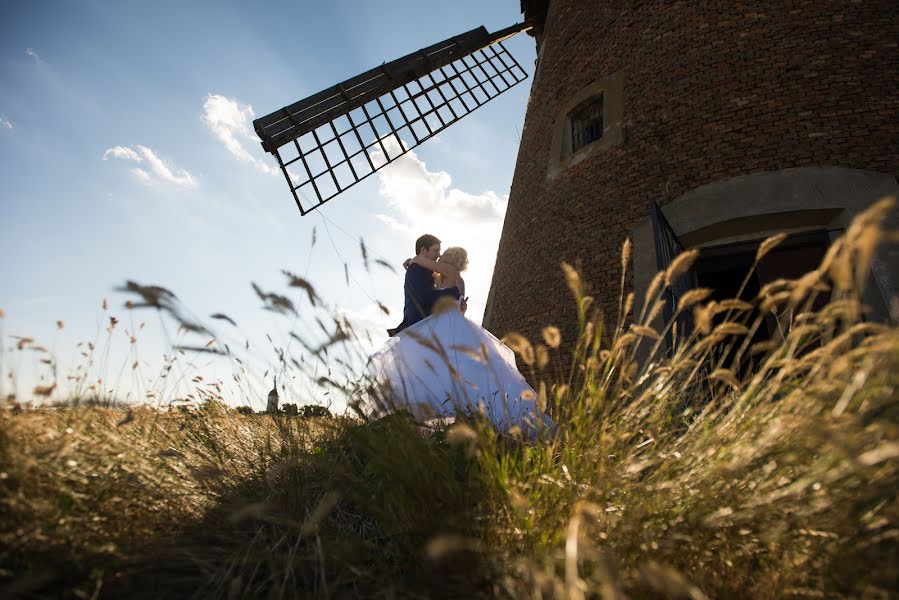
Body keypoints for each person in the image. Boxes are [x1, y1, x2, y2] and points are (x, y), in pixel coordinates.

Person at [367, 242, 551, 434]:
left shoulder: (448, 270)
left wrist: (415, 260)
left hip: (446, 324)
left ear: (453, 258)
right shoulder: (456, 278)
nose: (440, 256)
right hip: (452, 323)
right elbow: (454, 302)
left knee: (439, 370)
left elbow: (426, 270)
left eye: (444, 253)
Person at [386, 234, 461, 337]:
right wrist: (452, 293)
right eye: (435, 250)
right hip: (418, 326)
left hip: (426, 326)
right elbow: (424, 296)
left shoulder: (425, 270)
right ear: (423, 250)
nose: (438, 255)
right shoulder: (415, 269)